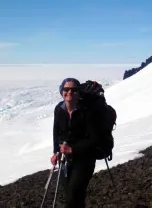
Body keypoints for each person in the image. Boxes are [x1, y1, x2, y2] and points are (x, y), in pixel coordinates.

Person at [50, 77, 101, 208]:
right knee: (73, 196)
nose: (70, 92)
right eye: (66, 89)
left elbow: (95, 139)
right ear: (62, 92)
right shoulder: (59, 109)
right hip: (66, 158)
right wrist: (56, 152)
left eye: (74, 89)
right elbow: (56, 132)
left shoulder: (87, 111)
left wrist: (73, 150)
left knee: (72, 195)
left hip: (85, 158)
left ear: (78, 92)